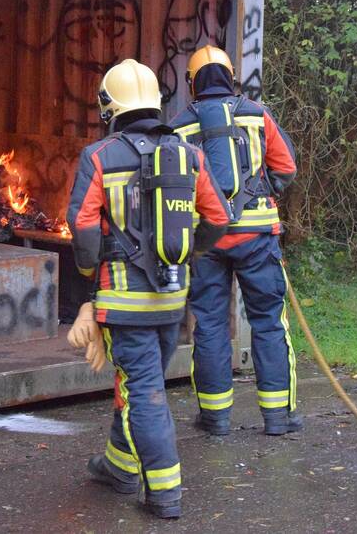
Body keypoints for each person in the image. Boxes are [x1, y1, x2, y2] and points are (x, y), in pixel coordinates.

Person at [65, 59, 231, 519]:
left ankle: (164, 491)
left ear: (108, 107)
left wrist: (87, 282)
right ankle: (119, 467)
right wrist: (188, 253)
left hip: (123, 300)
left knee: (143, 391)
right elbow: (219, 218)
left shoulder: (100, 156)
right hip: (171, 299)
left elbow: (82, 227)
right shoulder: (189, 155)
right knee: (142, 382)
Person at [168, 45, 301, 437]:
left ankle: (215, 418)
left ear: (192, 84)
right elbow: (287, 168)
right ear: (231, 77)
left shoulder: (178, 127)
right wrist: (262, 190)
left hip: (207, 240)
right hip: (258, 237)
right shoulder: (257, 115)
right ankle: (278, 418)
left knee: (208, 324)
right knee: (268, 322)